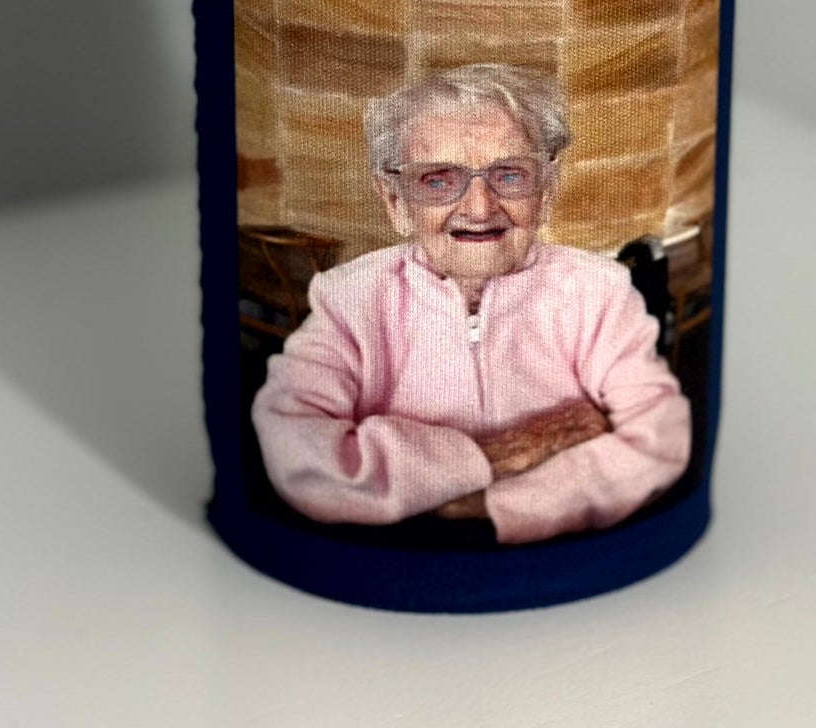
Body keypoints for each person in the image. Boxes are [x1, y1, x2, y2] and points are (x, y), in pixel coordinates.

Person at [251, 64, 690, 544]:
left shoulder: (597, 291)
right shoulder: (350, 299)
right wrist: (518, 447)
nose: (480, 208)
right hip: (397, 559)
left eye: (510, 175)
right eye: (438, 180)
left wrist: (490, 506)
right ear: (395, 201)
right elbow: (297, 452)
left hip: (554, 552)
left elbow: (660, 437)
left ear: (546, 191)